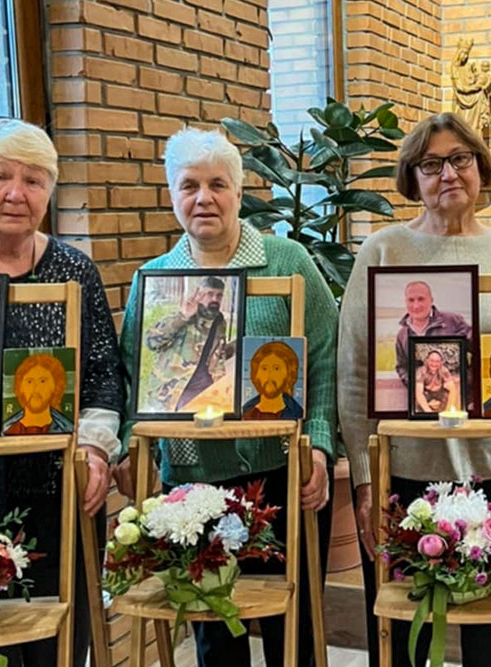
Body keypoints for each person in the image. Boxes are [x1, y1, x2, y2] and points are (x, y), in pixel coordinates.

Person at [338, 112, 491, 667]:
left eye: (460, 159)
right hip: (406, 475)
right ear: (412, 177)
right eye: (431, 164)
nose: (448, 173)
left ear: (481, 169)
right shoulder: (382, 252)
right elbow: (356, 371)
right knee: (408, 639)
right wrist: (366, 481)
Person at [114, 127, 336, 667]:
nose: (203, 198)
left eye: (218, 184)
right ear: (172, 195)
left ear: (240, 193)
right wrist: (127, 446)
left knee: (297, 624)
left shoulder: (289, 262)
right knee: (213, 625)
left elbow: (328, 358)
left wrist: (323, 448)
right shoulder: (155, 281)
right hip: (192, 480)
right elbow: (129, 375)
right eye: (188, 185)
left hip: (284, 471)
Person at [0, 118, 125, 666]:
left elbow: (105, 372)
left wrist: (95, 447)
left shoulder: (74, 270)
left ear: (50, 191)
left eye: (34, 180)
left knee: (56, 643)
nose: (17, 193)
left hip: (56, 493)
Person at [141, 275, 229, 412]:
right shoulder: (182, 317)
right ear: (199, 295)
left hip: (205, 386)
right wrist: (183, 317)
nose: (214, 300)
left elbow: (218, 355)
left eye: (219, 296)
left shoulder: (220, 322)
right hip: (176, 387)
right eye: (210, 294)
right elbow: (151, 342)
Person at [395, 280, 471, 387]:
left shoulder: (453, 321)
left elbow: (478, 348)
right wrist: (415, 386)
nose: (416, 305)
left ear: (431, 300)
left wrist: (467, 379)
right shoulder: (402, 335)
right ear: (406, 302)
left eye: (421, 299)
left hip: (459, 395)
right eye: (411, 300)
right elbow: (402, 367)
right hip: (424, 398)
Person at [3, 353, 75, 434]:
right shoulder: (7, 429)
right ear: (20, 388)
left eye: (42, 381)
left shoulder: (66, 429)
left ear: (56, 387)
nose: (35, 388)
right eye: (29, 381)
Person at [241, 340, 303, 420]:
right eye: (264, 368)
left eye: (276, 369)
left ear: (289, 374)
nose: (269, 376)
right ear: (256, 374)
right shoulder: (246, 410)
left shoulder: (296, 411)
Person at [413, 349, 458, 413]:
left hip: (439, 394)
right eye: (432, 361)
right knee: (417, 402)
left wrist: (448, 411)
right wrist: (428, 411)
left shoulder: (444, 371)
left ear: (440, 362)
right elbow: (419, 393)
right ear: (427, 360)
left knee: (447, 395)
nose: (434, 364)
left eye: (437, 361)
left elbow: (452, 389)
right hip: (426, 394)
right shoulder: (421, 372)